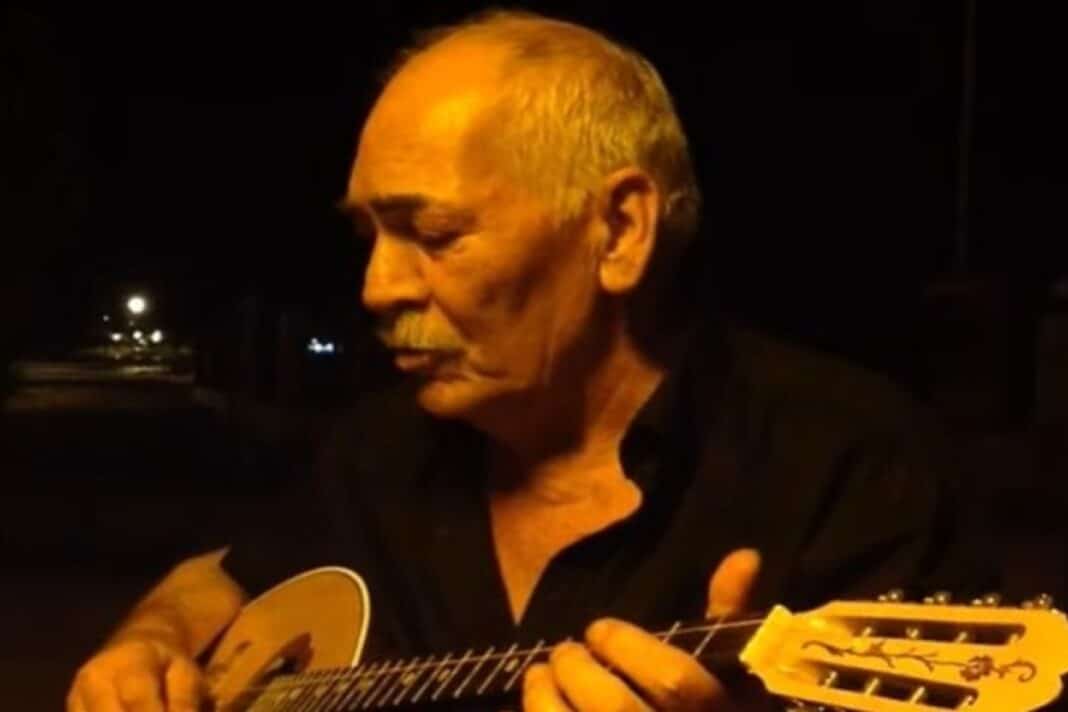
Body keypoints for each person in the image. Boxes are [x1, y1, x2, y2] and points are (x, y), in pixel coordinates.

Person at [67, 10, 988, 712]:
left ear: (618, 230)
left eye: (432, 233)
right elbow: (222, 575)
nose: (377, 287)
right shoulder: (375, 450)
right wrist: (148, 643)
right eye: (369, 236)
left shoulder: (851, 462)